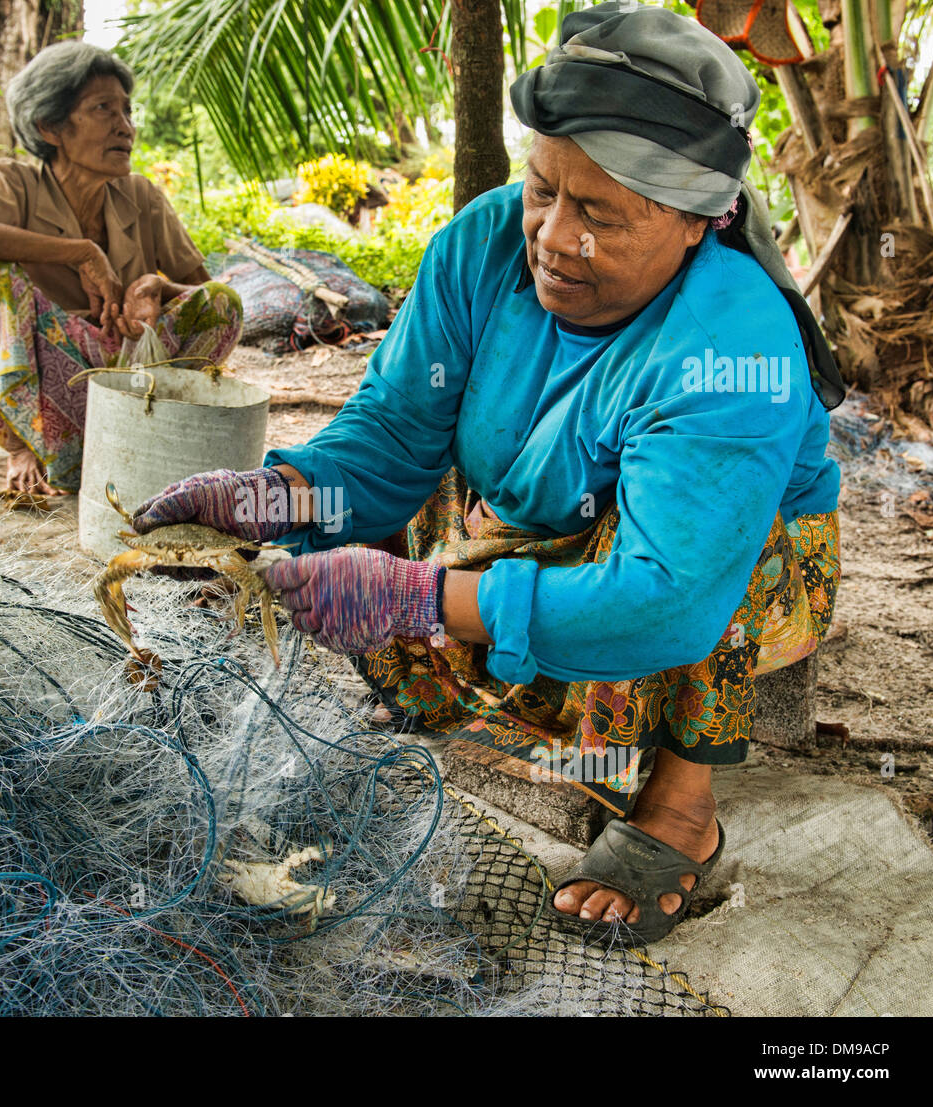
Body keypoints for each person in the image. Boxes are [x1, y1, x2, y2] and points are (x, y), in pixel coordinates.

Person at [128, 3, 846, 945]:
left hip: (727, 576)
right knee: (394, 500)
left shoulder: (731, 344)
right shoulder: (484, 243)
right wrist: (275, 495)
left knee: (705, 558)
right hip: (535, 518)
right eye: (544, 188)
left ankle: (680, 807)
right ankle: (514, 682)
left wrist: (423, 598)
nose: (553, 236)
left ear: (697, 223)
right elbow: (391, 434)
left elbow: (668, 599)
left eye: (599, 214)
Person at [0, 41, 242, 496]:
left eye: (127, 111)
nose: (125, 127)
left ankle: (138, 436)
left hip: (125, 373)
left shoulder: (140, 195)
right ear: (51, 126)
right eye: (104, 109)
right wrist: (78, 252)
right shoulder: (16, 183)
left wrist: (159, 286)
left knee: (224, 302)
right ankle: (27, 447)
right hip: (41, 390)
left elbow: (203, 294)